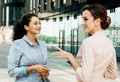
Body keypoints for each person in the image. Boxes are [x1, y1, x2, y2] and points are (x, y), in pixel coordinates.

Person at [52, 4, 118, 82]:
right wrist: (97, 75)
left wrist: (70, 57)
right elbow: (113, 74)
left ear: (97, 21)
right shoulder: (109, 43)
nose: (82, 23)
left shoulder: (88, 42)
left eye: (86, 19)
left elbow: (85, 78)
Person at [7, 13, 50, 82]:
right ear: (26, 27)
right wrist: (32, 68)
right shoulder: (17, 44)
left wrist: (46, 73)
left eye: (40, 23)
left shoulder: (43, 44)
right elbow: (11, 71)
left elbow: (44, 66)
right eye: (35, 23)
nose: (39, 26)